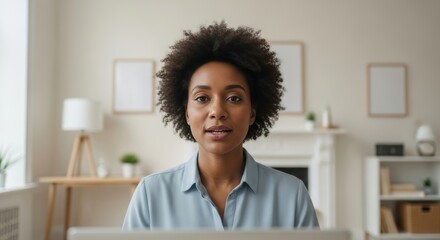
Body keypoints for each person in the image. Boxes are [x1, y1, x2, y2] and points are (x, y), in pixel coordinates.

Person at [123, 21, 319, 230]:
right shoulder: (150, 194)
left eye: (234, 98)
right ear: (187, 113)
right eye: (202, 98)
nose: (217, 111)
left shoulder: (292, 195)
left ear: (252, 112)